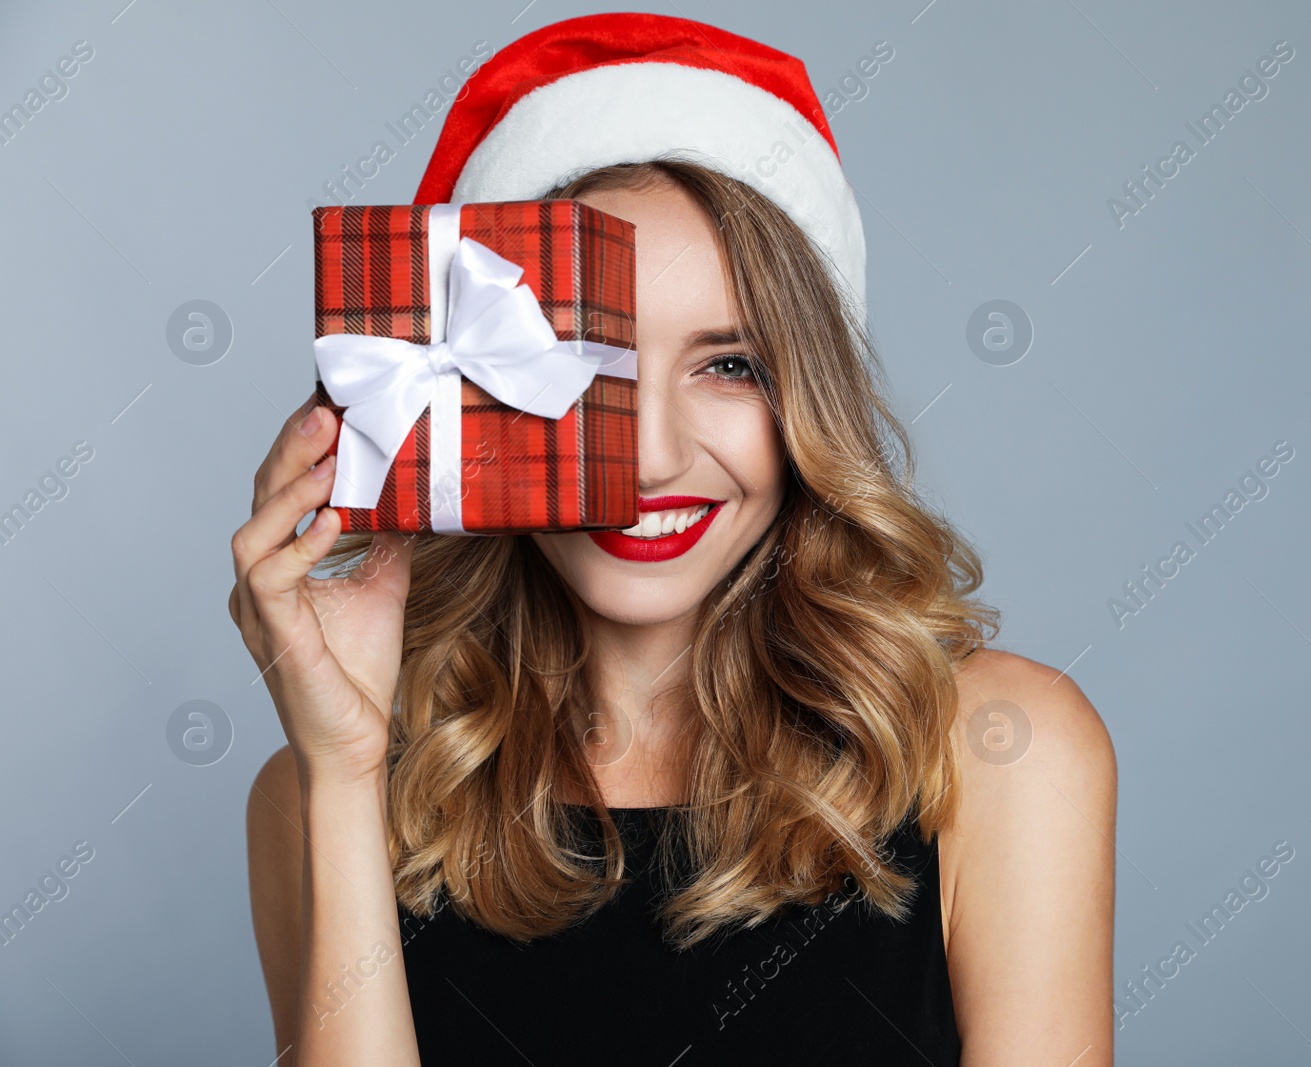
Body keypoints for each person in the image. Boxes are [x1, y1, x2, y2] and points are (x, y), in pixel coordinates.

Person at [233, 13, 1115, 1066]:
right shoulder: (318, 788)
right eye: (581, 368)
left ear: (808, 407)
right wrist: (343, 776)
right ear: (472, 402)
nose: (650, 457)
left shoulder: (1003, 751)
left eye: (728, 364)